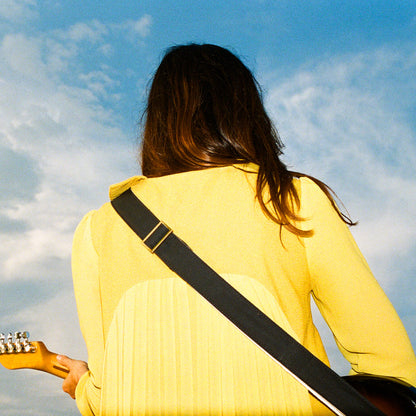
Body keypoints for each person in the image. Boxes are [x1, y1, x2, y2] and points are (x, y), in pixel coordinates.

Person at [57, 43, 416, 415]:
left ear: (157, 121)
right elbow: (390, 369)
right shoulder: (291, 200)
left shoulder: (99, 229)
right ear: (247, 114)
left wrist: (82, 383)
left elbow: (108, 395)